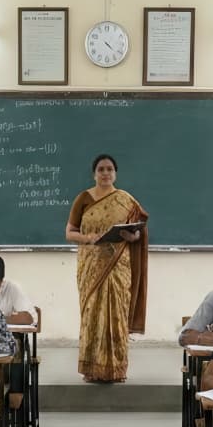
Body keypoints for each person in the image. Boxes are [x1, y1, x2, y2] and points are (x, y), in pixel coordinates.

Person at [65, 153, 149, 384]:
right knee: (92, 314)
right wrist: (88, 238)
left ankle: (116, 370)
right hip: (91, 266)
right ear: (94, 174)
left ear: (115, 173)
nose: (105, 173)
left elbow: (139, 231)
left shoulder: (126, 200)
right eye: (101, 169)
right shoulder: (83, 198)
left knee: (117, 315)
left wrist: (132, 237)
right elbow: (69, 232)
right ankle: (91, 369)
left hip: (119, 268)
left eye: (109, 169)